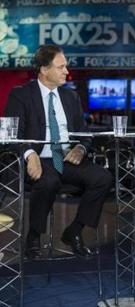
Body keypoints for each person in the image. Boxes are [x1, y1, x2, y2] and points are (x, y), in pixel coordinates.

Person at [5, 45, 112, 258]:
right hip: (39, 158)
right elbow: (12, 133)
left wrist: (80, 149)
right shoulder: (21, 95)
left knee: (103, 177)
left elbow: (83, 133)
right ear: (44, 69)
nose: (67, 71)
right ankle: (34, 237)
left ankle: (74, 231)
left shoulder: (70, 97)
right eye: (61, 67)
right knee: (48, 181)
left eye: (66, 67)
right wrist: (29, 154)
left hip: (66, 158)